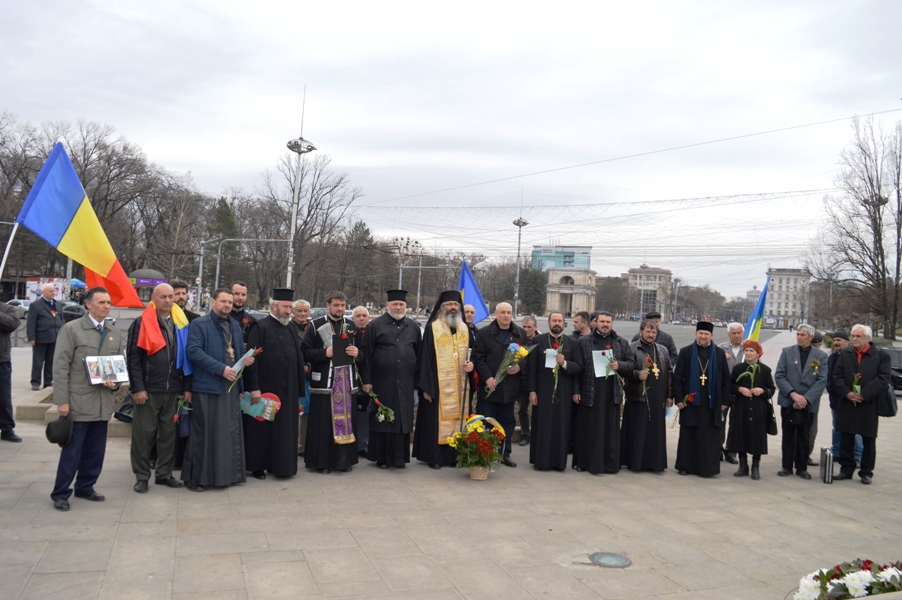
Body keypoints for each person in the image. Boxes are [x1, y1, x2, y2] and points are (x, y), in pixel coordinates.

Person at [50, 287, 125, 511]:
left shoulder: (114, 332)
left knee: (95, 451)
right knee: (73, 451)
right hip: (79, 400)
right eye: (101, 302)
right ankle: (61, 493)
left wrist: (116, 383)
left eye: (108, 302)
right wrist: (62, 401)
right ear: (88, 305)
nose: (106, 306)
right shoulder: (72, 329)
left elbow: (118, 366)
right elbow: (60, 366)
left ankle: (86, 486)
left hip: (102, 402)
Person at [183, 288, 255, 491]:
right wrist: (221, 369)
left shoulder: (234, 325)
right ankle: (197, 479)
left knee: (227, 433)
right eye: (223, 301)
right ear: (213, 302)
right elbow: (194, 351)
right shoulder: (199, 324)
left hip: (230, 388)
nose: (227, 305)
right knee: (204, 434)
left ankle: (227, 476)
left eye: (230, 302)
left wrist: (245, 361)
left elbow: (236, 352)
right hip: (208, 386)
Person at [126, 284, 190, 492]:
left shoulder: (181, 323)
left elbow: (187, 358)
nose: (168, 300)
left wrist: (186, 387)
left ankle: (164, 474)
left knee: (168, 435)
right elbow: (134, 359)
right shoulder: (141, 322)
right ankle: (142, 476)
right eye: (163, 297)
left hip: (173, 390)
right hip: (149, 390)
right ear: (153, 298)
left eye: (171, 296)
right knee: (144, 436)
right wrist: (137, 388)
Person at [241, 288, 305, 479]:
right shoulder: (260, 327)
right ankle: (258, 467)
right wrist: (254, 388)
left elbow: (298, 358)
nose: (288, 311)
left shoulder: (291, 327)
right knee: (262, 430)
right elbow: (252, 361)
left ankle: (282, 466)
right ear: (274, 306)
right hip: (266, 388)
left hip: (289, 389)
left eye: (290, 307)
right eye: (285, 307)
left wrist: (299, 389)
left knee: (285, 431)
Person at [412, 291, 474, 469]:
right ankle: (436, 457)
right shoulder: (433, 328)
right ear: (442, 307)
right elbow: (425, 359)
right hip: (438, 386)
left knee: (458, 420)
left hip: (461, 385)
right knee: (437, 422)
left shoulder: (464, 328)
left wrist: (472, 365)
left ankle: (456, 456)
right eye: (449, 305)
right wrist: (426, 387)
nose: (453, 308)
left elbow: (474, 353)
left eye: (456, 305)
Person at [301, 291, 360, 474]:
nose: (340, 309)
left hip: (346, 383)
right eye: (336, 305)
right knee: (323, 425)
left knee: (347, 423)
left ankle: (343, 461)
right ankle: (322, 463)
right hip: (325, 384)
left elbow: (363, 352)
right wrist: (324, 353)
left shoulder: (351, 326)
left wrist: (358, 353)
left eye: (343, 305)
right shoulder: (315, 325)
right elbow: (304, 352)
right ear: (328, 305)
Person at [361, 290, 421, 468]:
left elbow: (419, 355)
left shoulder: (413, 326)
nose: (398, 307)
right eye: (394, 304)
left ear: (405, 306)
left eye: (401, 304)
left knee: (402, 419)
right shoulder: (375, 326)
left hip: (406, 381)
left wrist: (417, 382)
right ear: (387, 305)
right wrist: (367, 380)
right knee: (383, 418)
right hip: (382, 381)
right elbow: (366, 356)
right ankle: (382, 458)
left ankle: (400, 458)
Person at [572, 311, 634, 474]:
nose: (605, 324)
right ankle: (585, 463)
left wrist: (619, 365)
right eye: (602, 322)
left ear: (612, 323)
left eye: (608, 322)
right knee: (589, 429)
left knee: (610, 431)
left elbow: (631, 364)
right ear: (595, 323)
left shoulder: (621, 342)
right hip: (590, 391)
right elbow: (578, 368)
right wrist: (576, 391)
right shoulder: (584, 342)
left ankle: (610, 464)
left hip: (611, 393)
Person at [833, 324, 891, 484]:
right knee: (846, 437)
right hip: (847, 402)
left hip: (868, 403)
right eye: (853, 336)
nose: (855, 339)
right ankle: (846, 469)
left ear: (868, 338)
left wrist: (864, 395)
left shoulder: (881, 355)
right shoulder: (846, 354)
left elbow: (883, 379)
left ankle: (866, 472)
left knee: (868, 439)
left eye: (858, 336)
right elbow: (837, 376)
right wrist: (847, 393)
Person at [672, 321, 731, 477]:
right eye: (700, 333)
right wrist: (678, 399)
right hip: (690, 401)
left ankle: (707, 468)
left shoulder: (719, 353)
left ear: (711, 336)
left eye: (706, 334)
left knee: (709, 436)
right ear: (696, 334)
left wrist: (725, 401)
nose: (703, 336)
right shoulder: (686, 352)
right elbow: (677, 377)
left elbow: (726, 379)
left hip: (712, 402)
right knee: (688, 434)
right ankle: (685, 466)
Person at [526, 312, 583, 471]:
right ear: (549, 323)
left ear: (564, 323)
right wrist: (532, 391)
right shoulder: (538, 340)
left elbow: (579, 367)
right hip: (542, 390)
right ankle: (541, 460)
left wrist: (565, 363)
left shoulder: (572, 342)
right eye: (554, 320)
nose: (556, 323)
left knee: (561, 425)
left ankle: (558, 462)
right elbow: (532, 369)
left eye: (559, 321)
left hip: (564, 390)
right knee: (543, 425)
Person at [473, 302, 527, 467]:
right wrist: (487, 377)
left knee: (507, 422)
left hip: (509, 388)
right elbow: (478, 357)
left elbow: (527, 357)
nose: (506, 316)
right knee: (487, 421)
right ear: (496, 314)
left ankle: (505, 453)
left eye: (509, 313)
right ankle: (485, 453)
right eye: (502, 312)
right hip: (490, 387)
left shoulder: (520, 333)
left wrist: (519, 367)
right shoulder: (484, 333)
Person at [774, 324, 828, 480]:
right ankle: (786, 466)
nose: (798, 337)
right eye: (797, 334)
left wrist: (805, 398)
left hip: (808, 402)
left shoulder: (821, 356)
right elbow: (779, 376)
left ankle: (802, 467)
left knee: (805, 435)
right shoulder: (787, 352)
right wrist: (793, 395)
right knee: (788, 435)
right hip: (789, 401)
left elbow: (822, 380)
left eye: (802, 335)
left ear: (811, 337)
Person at [621, 320, 672, 473]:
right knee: (638, 430)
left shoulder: (662, 350)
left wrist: (669, 395)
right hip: (638, 396)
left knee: (654, 432)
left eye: (653, 332)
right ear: (641, 331)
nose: (651, 335)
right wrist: (637, 374)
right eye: (648, 332)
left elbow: (669, 373)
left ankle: (654, 463)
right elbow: (624, 371)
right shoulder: (632, 348)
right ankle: (635, 462)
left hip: (657, 397)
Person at [725, 340, 775, 480]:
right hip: (741, 407)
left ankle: (755, 466)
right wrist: (739, 389)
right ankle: (743, 465)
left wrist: (762, 390)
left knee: (757, 437)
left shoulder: (765, 370)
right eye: (746, 350)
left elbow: (771, 389)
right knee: (741, 435)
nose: (748, 353)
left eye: (751, 351)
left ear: (758, 354)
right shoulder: (738, 368)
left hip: (759, 408)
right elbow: (731, 385)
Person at [827, 330, 862, 462]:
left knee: (855, 428)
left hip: (852, 398)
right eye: (834, 340)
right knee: (837, 426)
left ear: (847, 342)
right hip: (836, 400)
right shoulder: (832, 357)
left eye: (839, 340)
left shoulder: (855, 356)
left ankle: (858, 455)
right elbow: (830, 378)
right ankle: (836, 451)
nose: (836, 343)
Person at [716, 322, 745, 465]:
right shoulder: (721, 348)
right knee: (720, 421)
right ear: (729, 335)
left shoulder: (748, 348)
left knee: (736, 423)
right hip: (724, 391)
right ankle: (718, 449)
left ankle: (731, 451)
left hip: (741, 392)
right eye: (734, 333)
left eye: (739, 332)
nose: (737, 335)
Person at [27, 283, 65, 391]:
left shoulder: (58, 304)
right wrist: (31, 337)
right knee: (38, 361)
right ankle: (35, 382)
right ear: (44, 292)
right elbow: (31, 323)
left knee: (51, 361)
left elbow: (61, 320)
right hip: (41, 338)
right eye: (50, 291)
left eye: (54, 291)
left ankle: (48, 381)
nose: (53, 293)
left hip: (54, 337)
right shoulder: (36, 305)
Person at [291, 300, 312, 456]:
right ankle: (298, 445)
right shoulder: (288, 328)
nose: (303, 314)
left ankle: (306, 442)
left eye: (305, 311)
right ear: (293, 312)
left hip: (312, 373)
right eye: (299, 311)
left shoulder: (313, 327)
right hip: (295, 373)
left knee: (309, 410)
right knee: (299, 410)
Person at [0, 300, 22, 442]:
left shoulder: (7, 308)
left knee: (3, 397)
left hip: (1, 360)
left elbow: (13, 323)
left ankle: (7, 429)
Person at [352, 306, 371, 456]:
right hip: (353, 380)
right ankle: (357, 444)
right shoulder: (349, 333)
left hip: (371, 379)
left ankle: (364, 444)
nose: (361, 318)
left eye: (364, 315)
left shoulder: (373, 332)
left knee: (366, 413)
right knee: (357, 413)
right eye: (358, 316)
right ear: (353, 319)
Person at [517, 315, 539, 447]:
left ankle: (537, 434)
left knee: (539, 409)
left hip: (538, 381)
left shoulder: (541, 340)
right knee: (522, 409)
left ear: (535, 327)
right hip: (522, 381)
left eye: (529, 327)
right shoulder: (520, 341)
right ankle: (525, 435)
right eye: (524, 327)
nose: (526, 329)